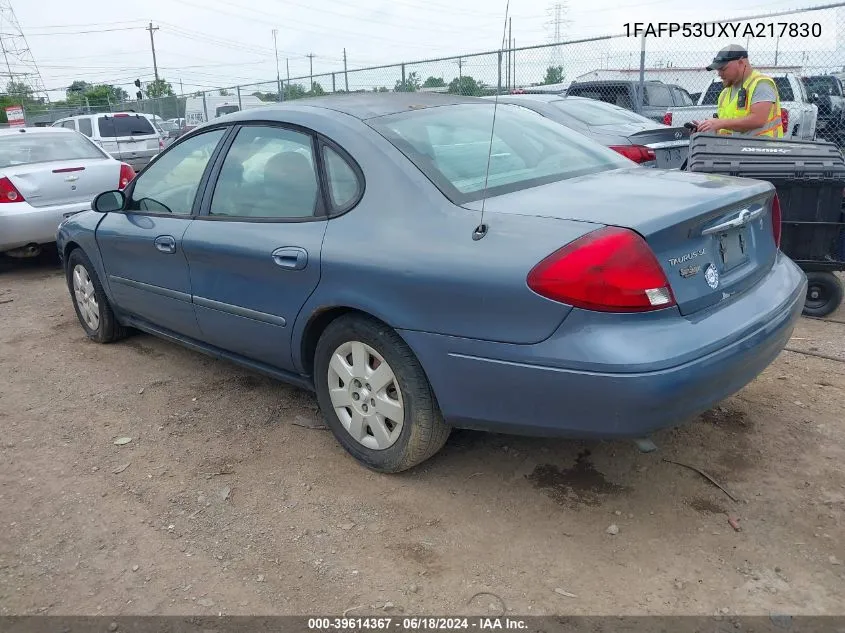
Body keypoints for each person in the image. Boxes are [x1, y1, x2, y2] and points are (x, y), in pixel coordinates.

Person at [693, 44, 784, 138]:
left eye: (723, 69)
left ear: (740, 62)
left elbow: (758, 120)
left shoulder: (761, 84)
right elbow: (726, 127)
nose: (719, 74)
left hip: (762, 149)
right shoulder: (725, 94)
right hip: (734, 149)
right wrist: (706, 128)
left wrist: (719, 123)